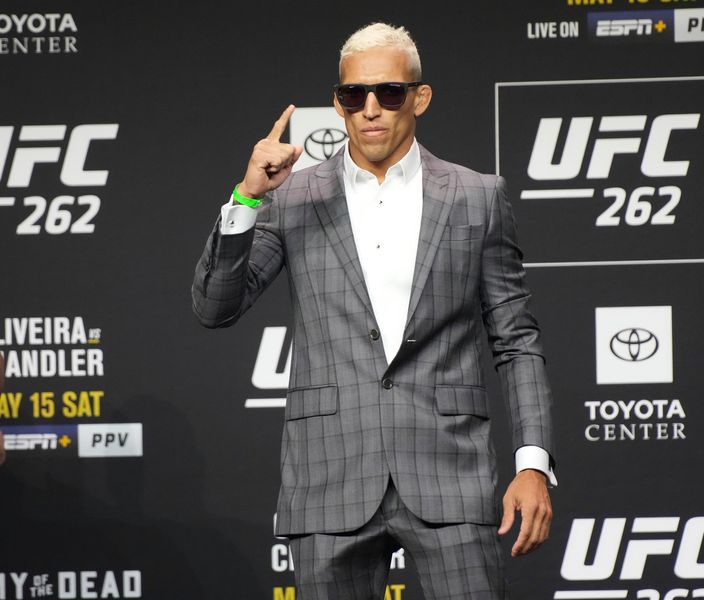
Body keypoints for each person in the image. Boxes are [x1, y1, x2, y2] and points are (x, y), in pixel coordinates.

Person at [193, 22, 556, 600]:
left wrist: (532, 463)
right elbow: (215, 307)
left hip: (449, 473)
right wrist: (246, 198)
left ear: (419, 97)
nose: (370, 109)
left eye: (388, 92)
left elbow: (516, 340)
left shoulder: (477, 197)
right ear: (338, 103)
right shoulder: (292, 198)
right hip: (328, 478)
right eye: (353, 94)